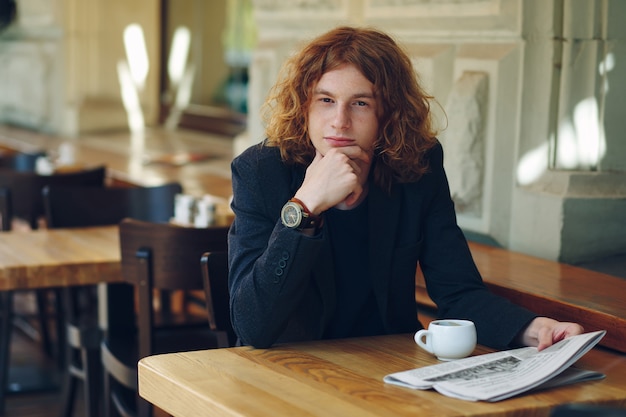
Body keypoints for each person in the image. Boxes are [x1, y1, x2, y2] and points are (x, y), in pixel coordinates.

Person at [227, 26, 583, 350]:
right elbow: (253, 326)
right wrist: (305, 207)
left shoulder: (416, 168)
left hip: (387, 368)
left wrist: (536, 330)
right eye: (326, 100)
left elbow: (457, 292)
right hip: (289, 373)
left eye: (361, 103)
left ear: (389, 113)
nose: (340, 121)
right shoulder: (261, 171)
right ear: (304, 106)